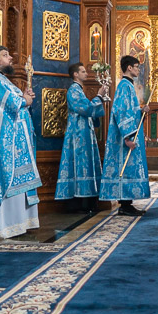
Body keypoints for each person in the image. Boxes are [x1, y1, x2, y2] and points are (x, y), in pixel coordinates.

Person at [0, 46, 41, 238]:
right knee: (8, 177)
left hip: (16, 139)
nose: (11, 57)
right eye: (5, 55)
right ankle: (6, 226)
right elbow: (12, 103)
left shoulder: (1, 78)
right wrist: (25, 100)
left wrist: (24, 97)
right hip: (6, 140)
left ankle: (19, 223)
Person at [99, 55, 151, 216]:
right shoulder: (124, 86)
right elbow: (121, 112)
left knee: (128, 168)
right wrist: (127, 138)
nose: (138, 69)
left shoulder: (128, 85)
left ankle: (127, 203)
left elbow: (130, 111)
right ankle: (125, 205)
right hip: (126, 136)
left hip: (129, 133)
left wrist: (141, 110)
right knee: (125, 167)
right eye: (136, 66)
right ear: (129, 67)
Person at [55, 62, 108, 211]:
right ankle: (78, 202)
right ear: (75, 74)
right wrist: (99, 96)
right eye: (83, 71)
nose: (86, 74)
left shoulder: (79, 90)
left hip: (84, 132)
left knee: (86, 163)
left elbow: (89, 109)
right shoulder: (73, 90)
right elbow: (85, 108)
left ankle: (89, 199)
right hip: (77, 134)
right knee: (79, 164)